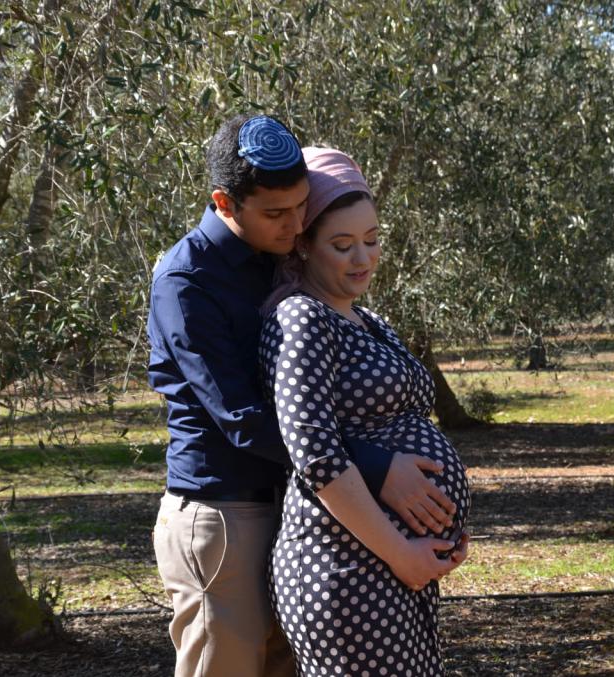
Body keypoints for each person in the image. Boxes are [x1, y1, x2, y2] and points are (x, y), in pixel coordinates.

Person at [148, 116, 463, 677]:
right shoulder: (187, 279)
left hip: (293, 508)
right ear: (224, 202)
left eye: (301, 209)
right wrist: (373, 468)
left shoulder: (278, 260)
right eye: (277, 213)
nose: (296, 226)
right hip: (225, 513)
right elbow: (242, 419)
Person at [260, 147, 472, 677]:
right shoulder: (301, 320)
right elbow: (313, 454)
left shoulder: (368, 321)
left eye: (373, 241)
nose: (364, 259)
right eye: (343, 244)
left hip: (396, 570)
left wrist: (435, 538)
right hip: (346, 570)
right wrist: (403, 553)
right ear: (303, 245)